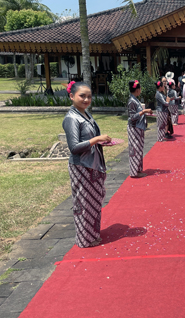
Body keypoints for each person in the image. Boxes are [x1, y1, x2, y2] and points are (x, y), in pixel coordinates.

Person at [62, 81, 111, 248]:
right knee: (84, 203)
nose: (86, 99)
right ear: (71, 96)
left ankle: (92, 234)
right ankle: (85, 239)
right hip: (82, 166)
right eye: (82, 96)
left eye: (89, 96)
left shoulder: (86, 114)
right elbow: (74, 147)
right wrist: (96, 139)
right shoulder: (71, 118)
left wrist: (100, 141)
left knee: (95, 201)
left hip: (94, 164)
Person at [127, 80, 153, 178]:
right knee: (135, 149)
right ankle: (134, 171)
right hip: (134, 128)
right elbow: (132, 117)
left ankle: (137, 169)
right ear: (137, 90)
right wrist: (144, 111)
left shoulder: (135, 100)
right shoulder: (132, 101)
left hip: (138, 127)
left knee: (138, 149)